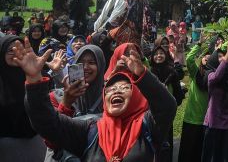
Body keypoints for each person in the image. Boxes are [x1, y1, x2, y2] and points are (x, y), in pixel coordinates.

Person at [15, 36, 177, 161]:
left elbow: (167, 106)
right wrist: (34, 79)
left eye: (124, 87)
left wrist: (143, 75)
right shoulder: (90, 130)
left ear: (135, 96)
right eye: (111, 89)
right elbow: (46, 122)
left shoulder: (147, 126)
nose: (115, 91)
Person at [45, 45, 106, 160]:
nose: (86, 67)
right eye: (81, 63)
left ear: (101, 66)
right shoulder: (55, 97)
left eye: (92, 62)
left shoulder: (110, 97)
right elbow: (51, 140)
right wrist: (66, 103)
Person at [0, 35, 47, 160]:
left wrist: (35, 76)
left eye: (20, 49)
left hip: (36, 145)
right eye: (10, 50)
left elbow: (44, 110)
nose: (16, 53)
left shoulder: (34, 75)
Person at [178, 36, 216, 162]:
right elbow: (189, 59)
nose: (207, 58)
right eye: (205, 56)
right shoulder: (196, 73)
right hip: (191, 119)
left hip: (206, 121)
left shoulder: (215, 77)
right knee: (187, 153)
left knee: (200, 154)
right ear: (202, 59)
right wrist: (199, 44)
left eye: (211, 56)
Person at [150, 45, 184, 162]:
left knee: (166, 142)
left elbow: (179, 93)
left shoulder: (172, 72)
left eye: (161, 53)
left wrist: (171, 105)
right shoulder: (149, 73)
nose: (159, 55)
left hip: (167, 115)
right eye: (156, 53)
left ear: (166, 55)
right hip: (151, 114)